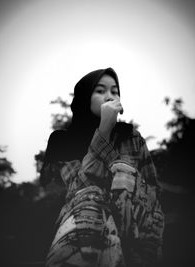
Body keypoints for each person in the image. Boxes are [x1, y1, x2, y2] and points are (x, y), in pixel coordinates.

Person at [40, 67, 164, 267]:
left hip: (134, 225)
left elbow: (153, 190)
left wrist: (125, 183)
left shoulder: (132, 139)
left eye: (114, 91)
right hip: (84, 222)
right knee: (92, 200)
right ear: (84, 98)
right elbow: (81, 189)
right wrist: (104, 130)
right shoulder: (63, 141)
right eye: (100, 90)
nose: (109, 96)